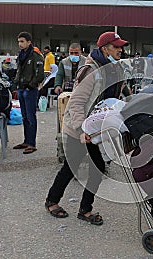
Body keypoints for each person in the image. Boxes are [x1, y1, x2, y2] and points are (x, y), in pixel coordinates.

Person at [45, 31, 129, 225]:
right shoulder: (90, 71)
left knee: (97, 167)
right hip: (79, 129)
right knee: (71, 167)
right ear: (104, 49)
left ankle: (84, 209)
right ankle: (53, 201)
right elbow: (76, 103)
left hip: (96, 129)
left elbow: (120, 95)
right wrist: (82, 131)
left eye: (121, 46)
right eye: (116, 46)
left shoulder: (116, 69)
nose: (120, 50)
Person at [13, 32, 44, 154]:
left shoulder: (35, 55)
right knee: (25, 117)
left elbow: (40, 74)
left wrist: (31, 85)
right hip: (21, 88)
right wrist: (15, 84)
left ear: (29, 42)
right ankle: (26, 141)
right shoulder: (22, 55)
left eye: (22, 41)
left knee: (31, 117)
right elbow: (19, 71)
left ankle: (32, 143)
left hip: (30, 90)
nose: (20, 44)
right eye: (19, 41)